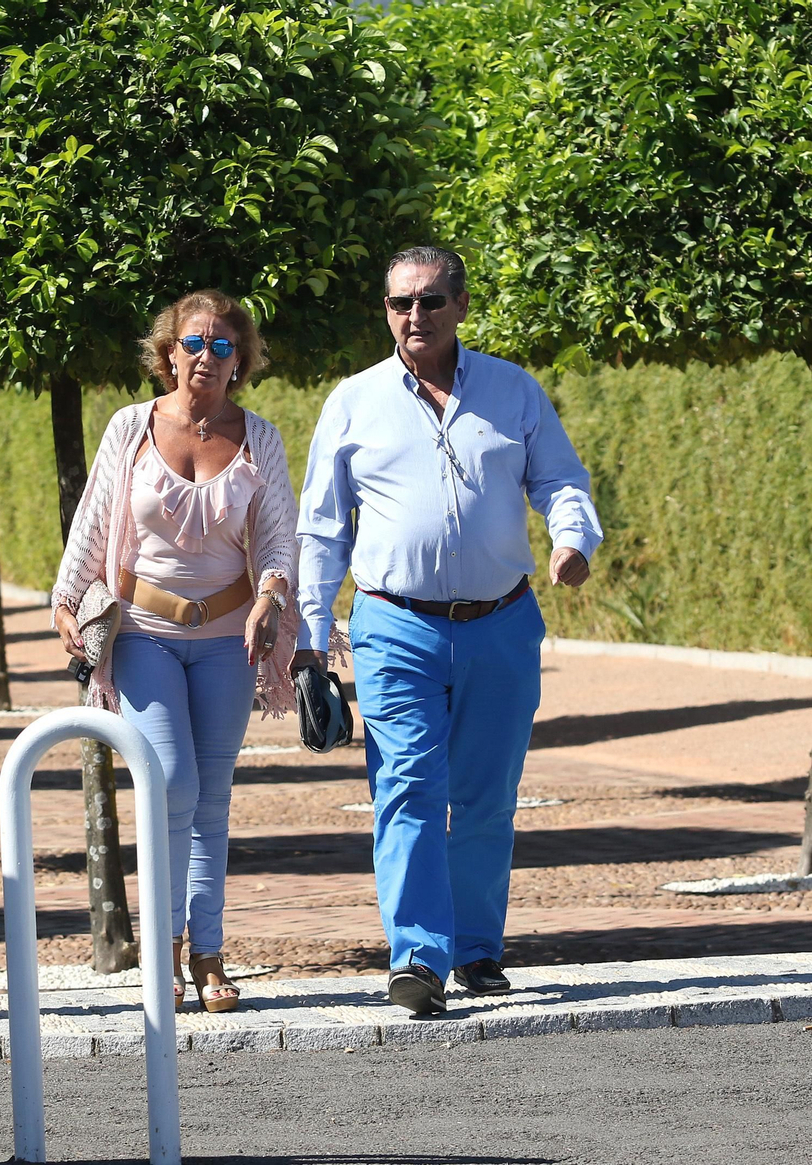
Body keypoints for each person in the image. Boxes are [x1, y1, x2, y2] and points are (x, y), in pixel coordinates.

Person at [291, 246, 603, 1016]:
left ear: (462, 304)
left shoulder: (514, 391)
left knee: (488, 795)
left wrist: (573, 539)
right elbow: (322, 529)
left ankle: (476, 948)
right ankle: (418, 957)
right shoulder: (354, 401)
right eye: (401, 303)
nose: (415, 316)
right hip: (394, 625)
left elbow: (561, 479)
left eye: (431, 301)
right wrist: (310, 627)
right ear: (385, 309)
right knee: (406, 788)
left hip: (501, 623)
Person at [52, 289, 299, 1014]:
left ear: (241, 362)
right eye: (194, 342)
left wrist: (271, 594)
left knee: (213, 799)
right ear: (168, 353)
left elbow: (279, 536)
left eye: (224, 346)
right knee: (173, 785)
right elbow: (95, 520)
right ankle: (161, 947)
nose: (206, 356)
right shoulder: (132, 427)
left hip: (228, 636)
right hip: (144, 635)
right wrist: (67, 599)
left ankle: (209, 954)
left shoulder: (261, 438)